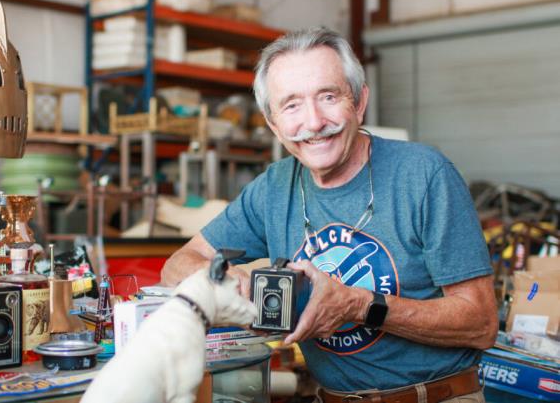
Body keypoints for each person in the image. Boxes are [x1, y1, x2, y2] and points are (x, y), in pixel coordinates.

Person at [161, 27, 498, 402]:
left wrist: (358, 305)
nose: (314, 121)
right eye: (291, 105)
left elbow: (481, 324)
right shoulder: (273, 189)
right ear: (273, 123)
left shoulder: (423, 174)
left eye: (328, 96)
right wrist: (230, 283)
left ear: (359, 101)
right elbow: (179, 263)